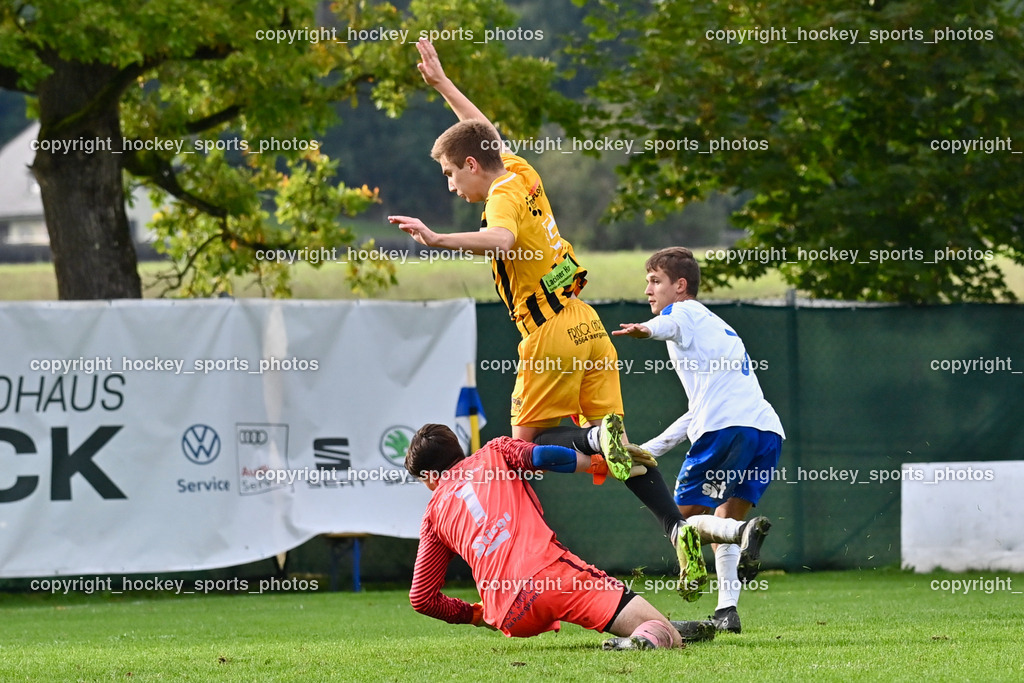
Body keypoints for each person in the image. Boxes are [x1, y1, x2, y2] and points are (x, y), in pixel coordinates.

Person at [388, 40, 714, 599]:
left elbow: (502, 237)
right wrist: (442, 85)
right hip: (586, 323)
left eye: (449, 173)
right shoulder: (517, 169)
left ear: (471, 166)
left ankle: (529, 571)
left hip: (550, 335)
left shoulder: (498, 198)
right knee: (618, 455)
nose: (450, 185)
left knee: (523, 448)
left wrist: (438, 238)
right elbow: (483, 129)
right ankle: (675, 528)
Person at [406, 423, 720, 649]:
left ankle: (643, 623)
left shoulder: (433, 514)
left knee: (619, 614)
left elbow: (421, 598)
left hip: (508, 613)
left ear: (428, 479)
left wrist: (475, 615)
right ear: (458, 451)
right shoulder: (494, 452)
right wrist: (599, 464)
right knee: (668, 638)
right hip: (551, 578)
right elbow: (542, 457)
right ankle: (647, 635)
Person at [613, 247, 784, 633]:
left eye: (655, 281)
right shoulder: (717, 326)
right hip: (765, 431)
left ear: (680, 285)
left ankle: (743, 535)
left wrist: (645, 330)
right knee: (722, 517)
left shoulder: (683, 313)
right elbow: (697, 409)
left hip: (725, 429)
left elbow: (667, 325)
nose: (648, 290)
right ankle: (727, 611)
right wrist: (649, 448)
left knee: (682, 522)